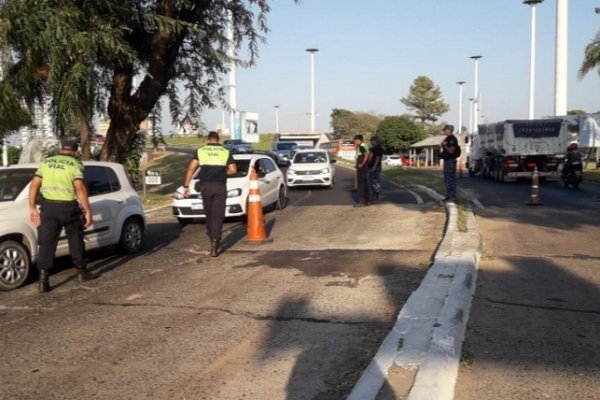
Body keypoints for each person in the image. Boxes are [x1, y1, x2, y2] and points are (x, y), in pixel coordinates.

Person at [28, 139, 93, 293]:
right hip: (68, 209)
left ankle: (43, 280)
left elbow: (34, 185)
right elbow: (79, 188)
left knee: (47, 243)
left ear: (60, 149)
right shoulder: (76, 164)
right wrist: (88, 210)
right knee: (75, 238)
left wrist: (31, 208)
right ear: (76, 152)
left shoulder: (46, 162)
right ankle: (81, 273)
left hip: (48, 208)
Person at [182, 131, 237, 257]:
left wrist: (186, 186)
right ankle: (215, 242)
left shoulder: (201, 151)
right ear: (218, 140)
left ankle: (211, 236)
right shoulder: (225, 151)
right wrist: (224, 173)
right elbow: (233, 170)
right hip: (220, 187)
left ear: (208, 140)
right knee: (218, 215)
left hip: (205, 187)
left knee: (209, 215)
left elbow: (191, 168)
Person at [440, 124, 459, 202]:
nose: (444, 131)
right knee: (447, 179)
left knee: (450, 179)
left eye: (445, 130)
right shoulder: (447, 138)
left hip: (450, 161)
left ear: (449, 130)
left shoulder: (452, 139)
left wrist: (445, 146)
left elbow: (451, 151)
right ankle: (449, 195)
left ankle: (452, 196)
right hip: (447, 160)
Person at [353, 134, 371, 207]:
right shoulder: (365, 145)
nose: (354, 142)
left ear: (358, 140)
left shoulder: (361, 146)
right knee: (365, 184)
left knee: (361, 184)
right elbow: (369, 154)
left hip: (362, 168)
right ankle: (367, 201)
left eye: (355, 140)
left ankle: (361, 202)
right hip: (364, 167)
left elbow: (366, 154)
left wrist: (362, 164)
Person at [368, 136, 384, 200]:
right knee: (374, 181)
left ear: (375, 141)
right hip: (372, 166)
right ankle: (375, 193)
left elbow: (378, 157)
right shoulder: (372, 148)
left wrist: (374, 166)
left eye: (372, 141)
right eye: (370, 141)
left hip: (375, 167)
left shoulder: (378, 148)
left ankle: (375, 193)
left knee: (374, 181)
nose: (371, 142)